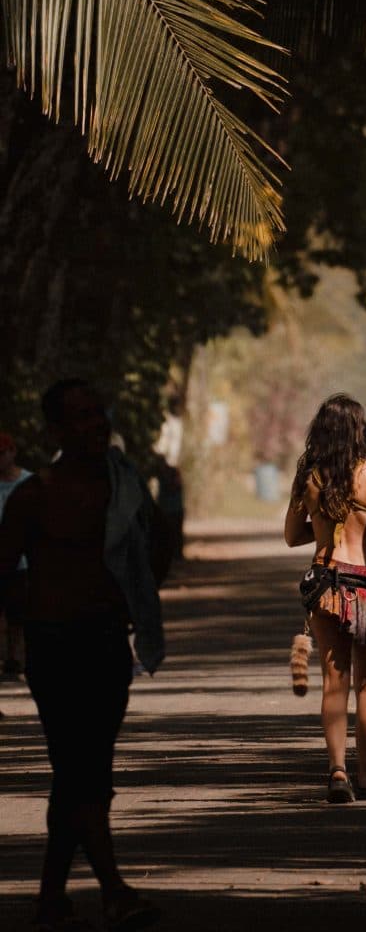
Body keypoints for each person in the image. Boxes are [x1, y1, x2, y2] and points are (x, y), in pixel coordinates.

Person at [0, 379, 170, 931]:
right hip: (54, 649)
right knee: (82, 769)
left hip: (106, 643)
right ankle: (114, 890)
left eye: (98, 412)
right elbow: (4, 571)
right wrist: (31, 613)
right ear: (55, 430)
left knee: (80, 771)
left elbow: (156, 551)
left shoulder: (124, 488)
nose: (95, 424)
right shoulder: (34, 495)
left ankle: (51, 896)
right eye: (80, 416)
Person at [284, 394, 366, 803]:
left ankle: (337, 771)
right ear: (358, 431)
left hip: (325, 585)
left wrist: (323, 526)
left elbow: (292, 535)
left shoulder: (308, 476)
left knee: (333, 683)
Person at [0, 432, 31, 677]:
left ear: (12, 452)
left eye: (2, 453)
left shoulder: (29, 483)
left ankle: (17, 658)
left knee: (19, 614)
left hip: (23, 561)